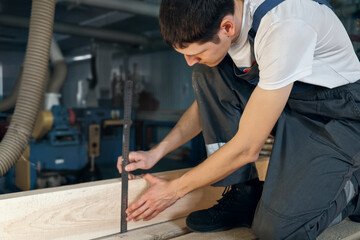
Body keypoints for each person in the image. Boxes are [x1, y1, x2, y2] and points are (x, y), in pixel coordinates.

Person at [117, 0, 360, 238]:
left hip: (337, 117)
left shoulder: (284, 25)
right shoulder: (231, 16)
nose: (189, 62)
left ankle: (354, 191)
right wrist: (157, 152)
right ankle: (243, 193)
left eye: (196, 52)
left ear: (227, 27)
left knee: (277, 232)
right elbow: (208, 102)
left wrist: (175, 190)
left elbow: (247, 148)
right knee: (207, 72)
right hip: (290, 106)